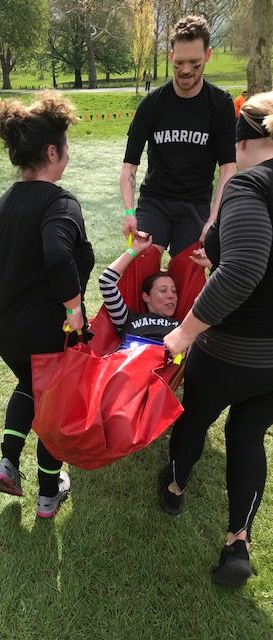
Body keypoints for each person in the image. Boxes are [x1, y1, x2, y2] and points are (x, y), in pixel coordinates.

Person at [159, 91, 273, 587]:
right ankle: (237, 541)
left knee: (195, 419)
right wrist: (220, 262)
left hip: (229, 351)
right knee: (248, 437)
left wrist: (183, 333)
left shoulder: (249, 185)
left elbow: (247, 267)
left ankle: (175, 485)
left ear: (240, 138)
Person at [0, 92, 95, 519]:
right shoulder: (59, 202)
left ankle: (9, 459)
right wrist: (73, 309)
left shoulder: (0, 206)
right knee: (54, 399)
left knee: (31, 384)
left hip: (1, 328)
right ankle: (49, 494)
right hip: (43, 328)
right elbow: (54, 254)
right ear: (52, 152)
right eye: (66, 146)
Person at [120, 15, 236, 258]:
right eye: (179, 62)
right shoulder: (151, 104)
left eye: (194, 63)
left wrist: (214, 220)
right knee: (141, 266)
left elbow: (228, 169)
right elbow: (129, 166)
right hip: (155, 201)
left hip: (196, 205)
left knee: (189, 276)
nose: (185, 70)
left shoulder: (221, 104)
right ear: (171, 57)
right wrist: (130, 213)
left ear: (208, 55)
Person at [99, 231, 179, 343]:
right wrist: (135, 248)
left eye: (174, 291)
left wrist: (211, 266)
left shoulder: (182, 327)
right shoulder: (126, 319)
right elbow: (106, 281)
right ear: (146, 297)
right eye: (163, 290)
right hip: (131, 358)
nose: (171, 296)